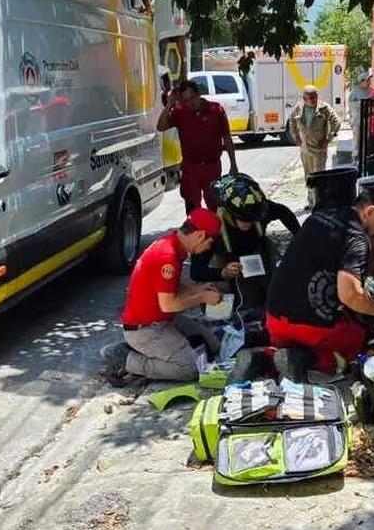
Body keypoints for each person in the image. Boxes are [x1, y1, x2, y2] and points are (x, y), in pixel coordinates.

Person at [264, 185, 374, 381]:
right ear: (370, 212)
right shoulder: (357, 238)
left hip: (273, 317)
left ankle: (267, 358)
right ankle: (308, 359)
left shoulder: (319, 216)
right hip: (309, 329)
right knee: (358, 339)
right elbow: (350, 296)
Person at [101, 208, 225, 386]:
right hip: (146, 329)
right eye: (209, 241)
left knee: (212, 345)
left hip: (161, 320)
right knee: (189, 367)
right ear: (199, 235)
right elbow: (169, 304)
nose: (208, 247)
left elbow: (168, 286)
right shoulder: (168, 255)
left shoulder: (173, 243)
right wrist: (202, 297)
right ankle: (125, 359)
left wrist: (197, 289)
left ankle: (143, 351)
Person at [190, 173, 301, 310]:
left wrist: (299, 237)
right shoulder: (213, 228)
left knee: (259, 296)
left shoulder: (258, 209)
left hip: (255, 252)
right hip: (223, 258)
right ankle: (223, 314)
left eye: (253, 220)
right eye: (244, 219)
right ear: (229, 213)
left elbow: (285, 213)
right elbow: (195, 271)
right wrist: (222, 272)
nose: (249, 223)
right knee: (221, 298)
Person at [157, 80, 239, 213]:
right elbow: (160, 127)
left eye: (192, 98)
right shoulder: (180, 111)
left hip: (211, 166)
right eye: (186, 100)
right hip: (190, 168)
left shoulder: (216, 110)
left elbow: (227, 138)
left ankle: (216, 233)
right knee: (192, 209)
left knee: (215, 207)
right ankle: (196, 233)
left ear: (199, 94)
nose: (191, 103)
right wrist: (169, 105)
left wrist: (233, 164)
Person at [289, 85, 342, 208]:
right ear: (304, 98)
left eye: (315, 96)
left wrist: (328, 138)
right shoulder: (298, 108)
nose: (313, 100)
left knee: (319, 176)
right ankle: (311, 201)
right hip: (305, 149)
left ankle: (320, 202)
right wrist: (295, 135)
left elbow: (337, 122)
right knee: (308, 176)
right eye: (310, 97)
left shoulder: (324, 108)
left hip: (318, 148)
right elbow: (292, 121)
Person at [348, 71, 373, 161]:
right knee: (357, 138)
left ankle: (366, 155)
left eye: (369, 80)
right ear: (362, 81)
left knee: (367, 137)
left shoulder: (371, 91)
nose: (369, 82)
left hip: (369, 117)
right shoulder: (354, 91)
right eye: (368, 80)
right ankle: (356, 156)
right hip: (357, 118)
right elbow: (351, 105)